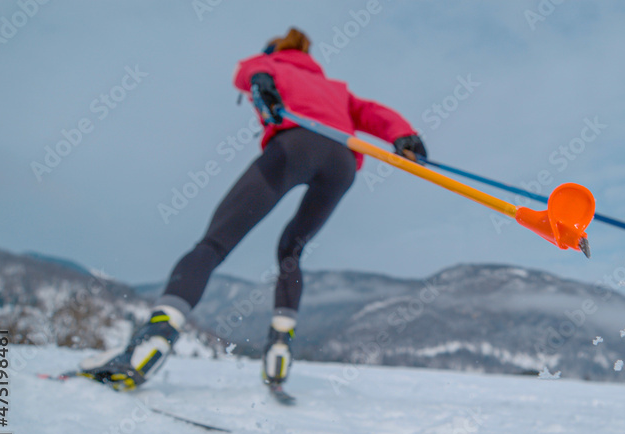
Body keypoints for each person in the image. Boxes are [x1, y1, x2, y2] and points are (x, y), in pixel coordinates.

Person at [82, 27, 427, 392]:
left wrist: (262, 77)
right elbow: (371, 112)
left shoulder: (270, 62)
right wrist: (404, 135)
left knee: (213, 245)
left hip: (294, 147)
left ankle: (154, 336)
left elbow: (244, 72)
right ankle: (280, 342)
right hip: (341, 163)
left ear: (275, 49)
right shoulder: (336, 89)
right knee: (291, 250)